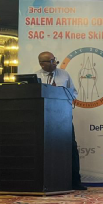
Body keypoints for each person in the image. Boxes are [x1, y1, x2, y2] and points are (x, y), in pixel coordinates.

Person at [35, 51, 87, 191]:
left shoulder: (64, 75)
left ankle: (75, 181)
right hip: (44, 119)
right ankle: (45, 182)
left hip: (63, 117)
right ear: (42, 64)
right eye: (51, 61)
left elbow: (74, 92)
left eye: (54, 60)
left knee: (71, 148)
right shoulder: (36, 77)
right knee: (44, 149)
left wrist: (63, 97)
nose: (54, 63)